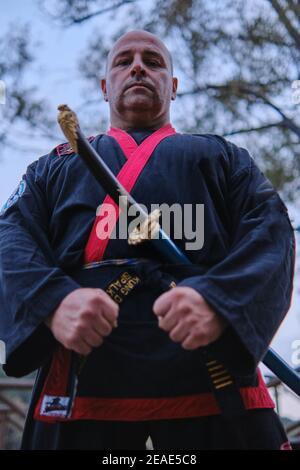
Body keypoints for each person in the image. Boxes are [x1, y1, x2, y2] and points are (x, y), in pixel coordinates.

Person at [0, 29, 295, 450]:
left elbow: (271, 231)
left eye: (153, 61)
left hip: (212, 378)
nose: (138, 66)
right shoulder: (53, 168)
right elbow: (9, 238)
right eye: (123, 61)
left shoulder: (221, 157)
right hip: (84, 382)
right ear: (105, 88)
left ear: (172, 87)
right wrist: (52, 302)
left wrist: (220, 300)